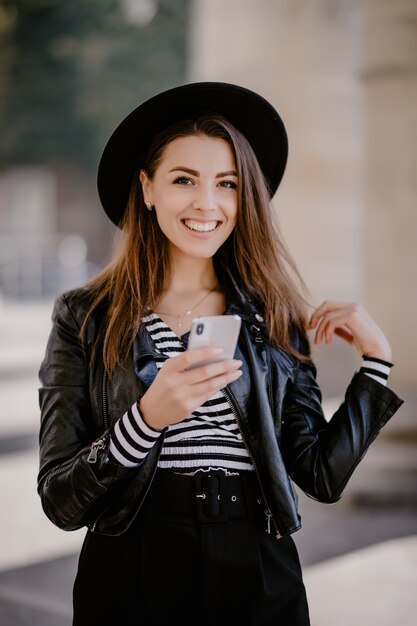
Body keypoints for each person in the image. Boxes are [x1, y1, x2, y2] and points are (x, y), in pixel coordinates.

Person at [37, 82, 403, 626]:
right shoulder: (85, 316)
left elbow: (320, 475)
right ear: (147, 188)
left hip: (256, 561)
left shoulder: (274, 316)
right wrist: (146, 419)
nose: (207, 203)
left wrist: (375, 366)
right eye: (184, 179)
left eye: (226, 184)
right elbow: (60, 499)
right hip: (132, 559)